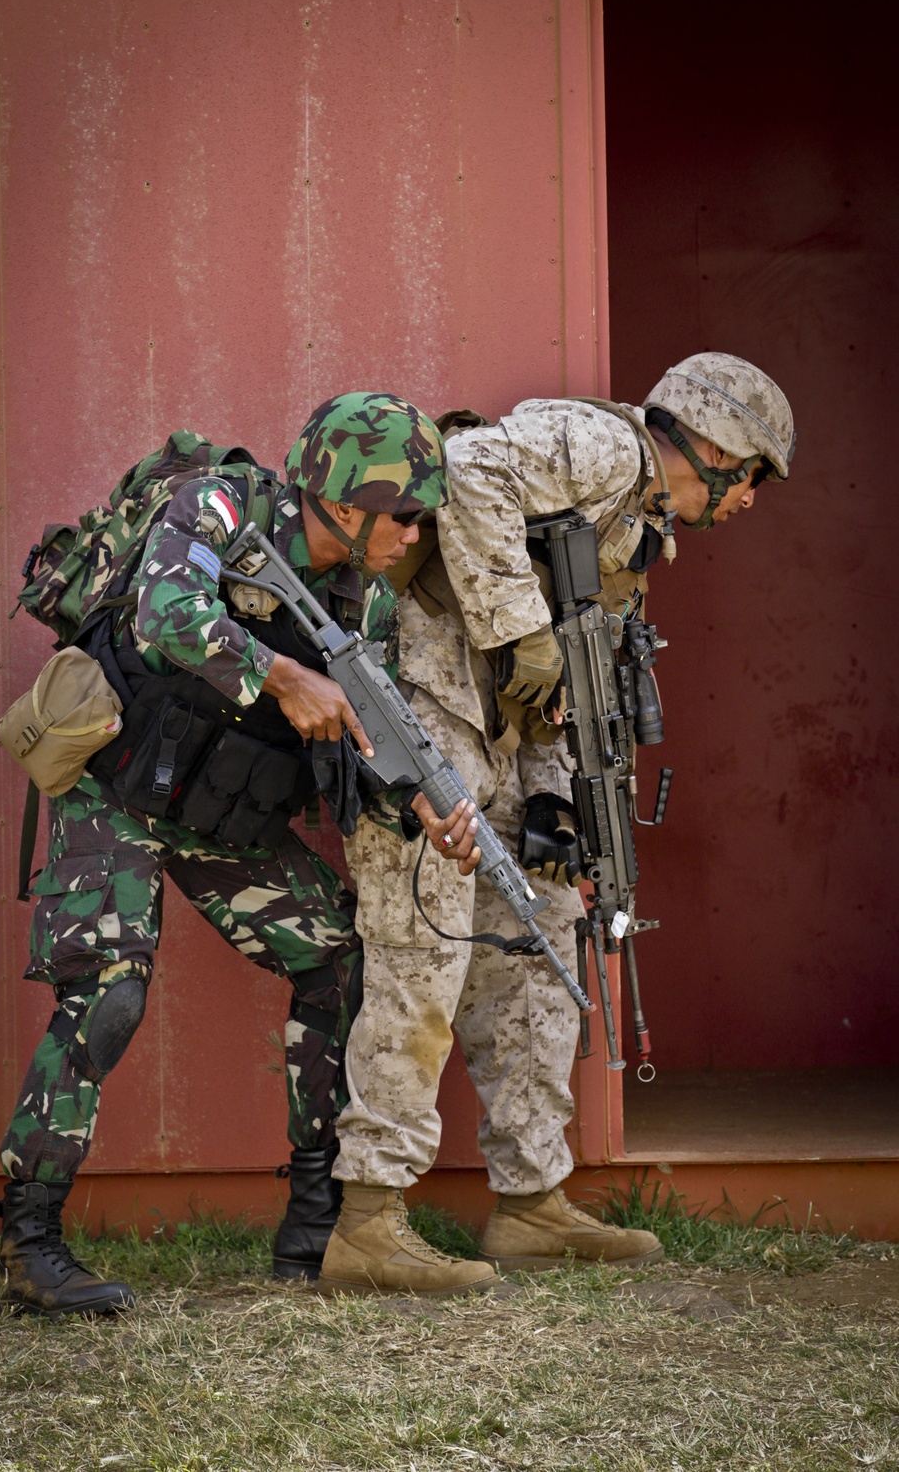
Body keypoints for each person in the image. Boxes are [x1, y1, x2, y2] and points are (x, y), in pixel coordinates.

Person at [318, 353, 795, 1296]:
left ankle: (532, 1203)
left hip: (501, 731)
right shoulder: (612, 449)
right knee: (425, 946)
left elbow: (569, 676)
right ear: (716, 446)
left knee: (538, 936)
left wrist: (559, 802)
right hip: (424, 701)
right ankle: (367, 1219)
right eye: (754, 480)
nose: (749, 503)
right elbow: (470, 474)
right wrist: (520, 630)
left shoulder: (639, 523)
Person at [0, 392, 459, 1317]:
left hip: (215, 815)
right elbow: (168, 613)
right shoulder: (218, 505)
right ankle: (28, 1243)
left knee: (333, 955)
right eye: (404, 514)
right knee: (109, 994)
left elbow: (360, 731)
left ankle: (314, 1227)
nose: (415, 534)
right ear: (343, 498)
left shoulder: (358, 596)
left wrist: (424, 809)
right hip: (115, 786)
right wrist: (282, 675)